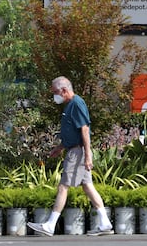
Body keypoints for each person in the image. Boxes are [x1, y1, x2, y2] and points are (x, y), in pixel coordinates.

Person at [27, 76, 114, 236]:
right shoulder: (69, 106)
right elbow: (72, 132)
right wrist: (60, 148)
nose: (54, 96)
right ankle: (105, 223)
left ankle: (50, 225)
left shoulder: (76, 104)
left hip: (77, 152)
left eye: (55, 92)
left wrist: (88, 156)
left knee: (63, 186)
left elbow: (85, 130)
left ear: (64, 90)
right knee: (87, 186)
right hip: (74, 150)